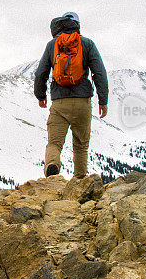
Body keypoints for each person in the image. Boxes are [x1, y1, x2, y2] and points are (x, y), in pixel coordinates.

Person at [34, 12, 108, 178]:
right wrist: (103, 100)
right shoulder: (87, 44)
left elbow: (41, 74)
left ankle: (52, 166)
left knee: (54, 143)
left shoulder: (53, 45)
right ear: (77, 25)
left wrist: (40, 96)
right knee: (81, 146)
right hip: (82, 102)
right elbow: (99, 73)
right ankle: (80, 181)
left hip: (60, 103)